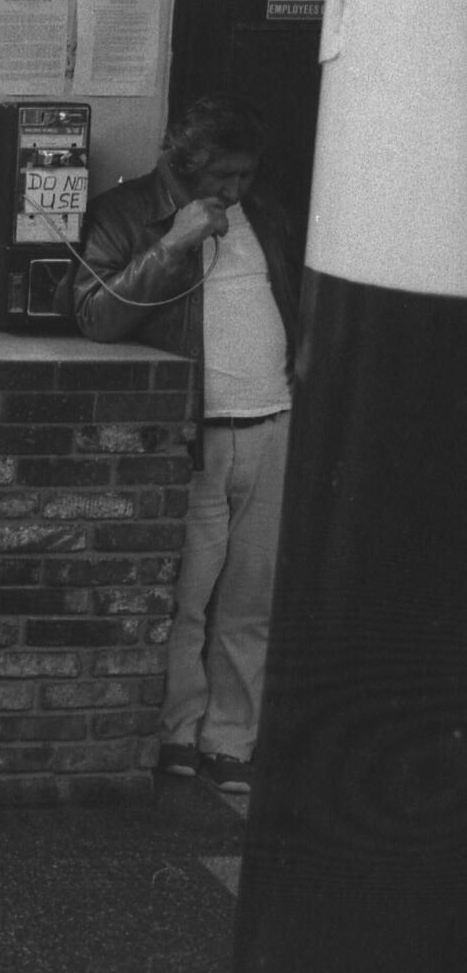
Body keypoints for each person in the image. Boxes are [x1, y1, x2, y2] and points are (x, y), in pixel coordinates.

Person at [68, 92, 301, 796]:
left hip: (274, 422)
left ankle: (233, 738)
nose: (233, 191)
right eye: (220, 176)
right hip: (197, 432)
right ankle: (178, 731)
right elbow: (96, 315)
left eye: (244, 177)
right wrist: (174, 241)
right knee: (189, 597)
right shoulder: (126, 212)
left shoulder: (268, 216)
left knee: (251, 599)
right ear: (183, 161)